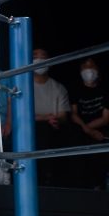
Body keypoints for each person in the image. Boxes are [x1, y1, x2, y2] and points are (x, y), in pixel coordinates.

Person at [33, 48, 71, 186]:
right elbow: (20, 115)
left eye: (43, 56)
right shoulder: (23, 86)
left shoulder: (58, 87)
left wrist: (55, 120)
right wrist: (45, 118)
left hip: (53, 129)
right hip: (31, 129)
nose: (39, 60)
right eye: (35, 56)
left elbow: (63, 116)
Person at [69, 57, 109, 189]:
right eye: (85, 67)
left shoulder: (105, 89)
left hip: (102, 129)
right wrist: (88, 130)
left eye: (91, 66)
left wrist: (90, 130)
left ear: (98, 69)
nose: (89, 70)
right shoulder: (75, 89)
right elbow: (73, 114)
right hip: (82, 129)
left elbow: (106, 118)